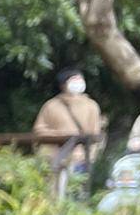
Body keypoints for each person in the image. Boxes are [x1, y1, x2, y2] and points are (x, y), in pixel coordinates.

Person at [32, 66, 105, 194]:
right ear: (63, 84)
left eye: (80, 79)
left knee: (76, 192)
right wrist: (59, 135)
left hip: (80, 158)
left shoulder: (91, 106)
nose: (78, 82)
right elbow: (39, 130)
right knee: (52, 192)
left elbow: (95, 134)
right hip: (53, 157)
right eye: (74, 79)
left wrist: (89, 156)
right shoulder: (51, 105)